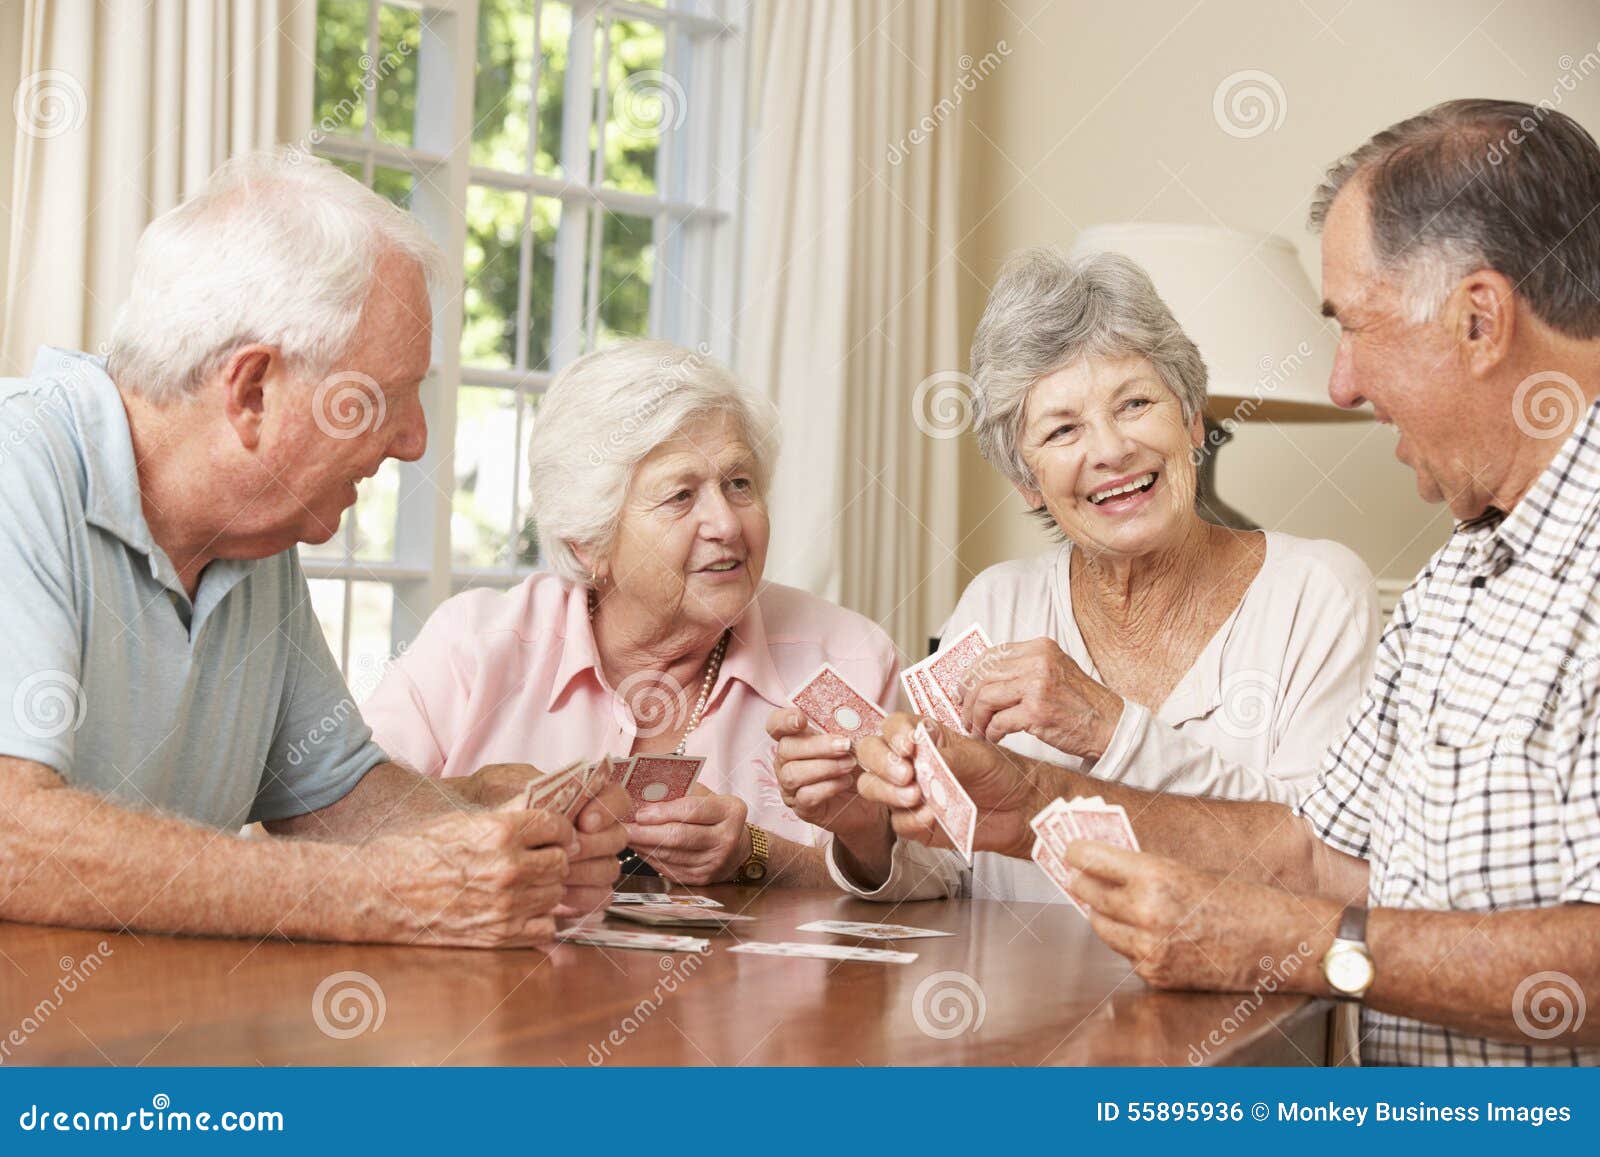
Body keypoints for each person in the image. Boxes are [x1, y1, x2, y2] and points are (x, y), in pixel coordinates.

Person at [856, 99, 1600, 1065]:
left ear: (1478, 319)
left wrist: (1288, 942)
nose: (1339, 383)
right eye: (1063, 428)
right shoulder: (1459, 578)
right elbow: (1318, 853)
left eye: (1355, 327)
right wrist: (1030, 801)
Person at [0, 151, 627, 948]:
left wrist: (493, 830)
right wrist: (382, 893)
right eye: (387, 397)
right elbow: (10, 836)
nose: (413, 440)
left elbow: (330, 801)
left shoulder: (254, 537)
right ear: (253, 390)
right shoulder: (16, 463)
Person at [774, 249, 1377, 903]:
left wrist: (1109, 725)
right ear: (1026, 482)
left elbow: (1323, 862)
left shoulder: (1316, 592)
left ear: (1193, 419)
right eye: (1063, 429)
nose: (1111, 449)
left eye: (1136, 402)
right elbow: (946, 869)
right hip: (1022, 1005)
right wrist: (866, 829)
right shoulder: (998, 602)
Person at [362, 340, 901, 887]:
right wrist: (478, 811)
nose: (727, 524)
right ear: (587, 544)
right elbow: (331, 824)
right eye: (681, 496)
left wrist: (755, 853)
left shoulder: (847, 657)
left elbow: (939, 887)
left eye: (739, 484)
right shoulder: (474, 648)